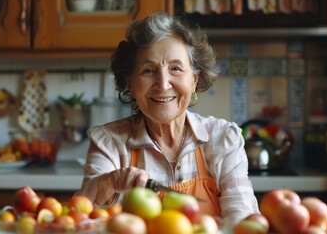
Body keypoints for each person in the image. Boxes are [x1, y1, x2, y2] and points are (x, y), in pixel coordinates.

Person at [75, 12, 259, 226]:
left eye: (176, 69)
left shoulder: (222, 140)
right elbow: (81, 219)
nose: (163, 84)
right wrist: (108, 183)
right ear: (131, 85)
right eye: (148, 70)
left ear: (194, 80)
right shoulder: (110, 143)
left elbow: (242, 222)